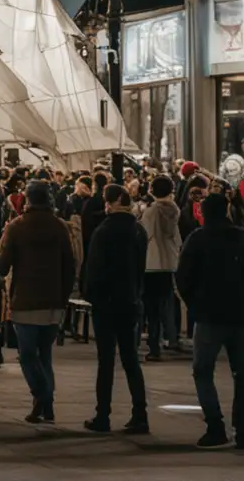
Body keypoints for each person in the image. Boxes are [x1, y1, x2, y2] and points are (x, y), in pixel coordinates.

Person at [176, 192, 244, 450]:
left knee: (203, 371)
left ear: (204, 211)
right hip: (240, 316)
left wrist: (195, 304)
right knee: (242, 374)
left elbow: (183, 277)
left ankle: (215, 426)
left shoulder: (198, 238)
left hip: (209, 316)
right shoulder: (243, 237)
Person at [0, 181, 78, 425]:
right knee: (45, 355)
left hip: (25, 301)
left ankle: (41, 396)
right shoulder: (60, 227)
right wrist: (64, 297)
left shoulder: (16, 227)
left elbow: (2, 264)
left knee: (27, 355)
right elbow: (70, 265)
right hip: (53, 301)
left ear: (27, 200)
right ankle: (46, 406)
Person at [80, 182, 150, 435]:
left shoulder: (104, 231)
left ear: (111, 202)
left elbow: (94, 270)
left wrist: (92, 295)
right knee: (131, 358)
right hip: (130, 300)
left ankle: (103, 415)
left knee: (106, 360)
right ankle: (140, 414)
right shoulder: (138, 231)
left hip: (106, 303)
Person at [141, 175, 184, 360]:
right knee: (167, 303)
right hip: (169, 261)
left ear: (152, 190)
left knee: (151, 308)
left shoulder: (151, 212)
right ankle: (172, 338)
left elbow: (145, 235)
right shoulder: (175, 210)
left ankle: (154, 346)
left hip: (152, 262)